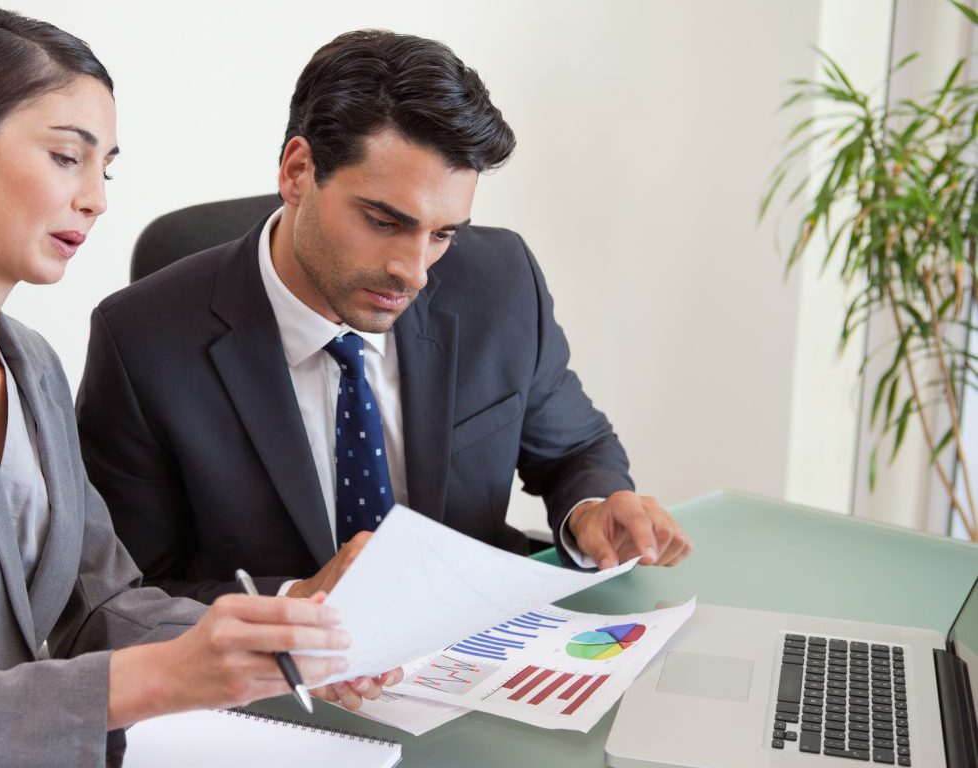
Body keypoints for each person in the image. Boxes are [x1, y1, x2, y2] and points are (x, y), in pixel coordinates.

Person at [0, 12, 395, 768]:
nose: (95, 199)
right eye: (65, 157)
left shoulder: (33, 363)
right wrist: (153, 678)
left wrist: (282, 634)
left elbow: (102, 606)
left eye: (104, 169)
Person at [76, 30, 693, 606]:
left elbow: (574, 449)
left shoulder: (500, 283)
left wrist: (591, 509)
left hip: (473, 655)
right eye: (384, 221)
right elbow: (127, 598)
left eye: (443, 233)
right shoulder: (141, 343)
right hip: (280, 694)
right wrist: (298, 601)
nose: (415, 271)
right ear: (297, 172)